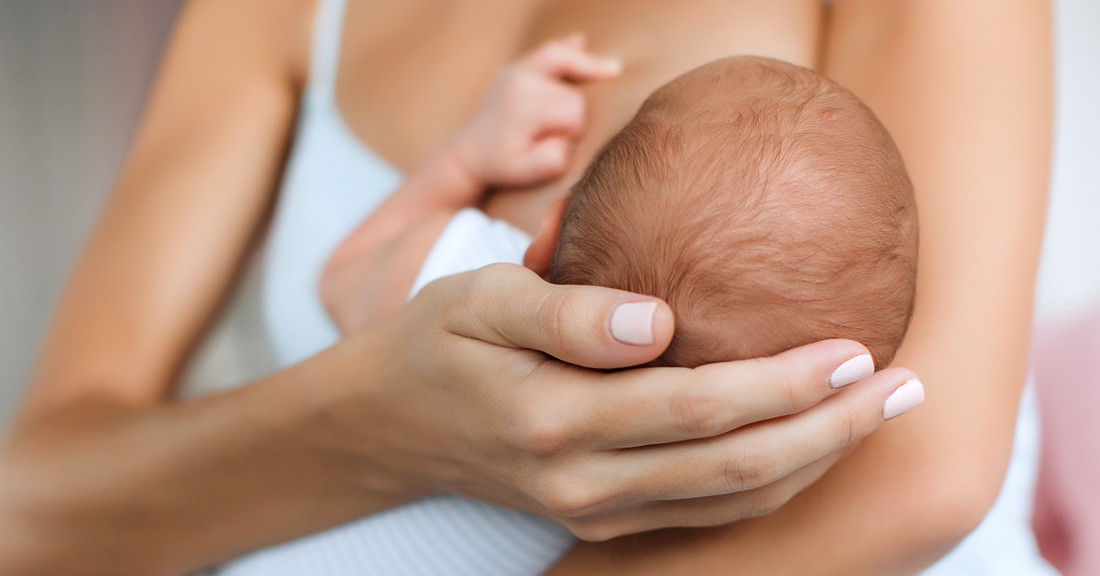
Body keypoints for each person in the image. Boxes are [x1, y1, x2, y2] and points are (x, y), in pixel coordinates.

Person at [0, 1, 1051, 576]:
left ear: (541, 235)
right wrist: (379, 422)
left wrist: (460, 171)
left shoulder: (458, 273)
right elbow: (29, 515)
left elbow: (928, 482)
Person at [220, 51, 923, 575]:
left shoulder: (465, 275)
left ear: (550, 232)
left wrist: (469, 158)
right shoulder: (728, 498)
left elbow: (342, 278)